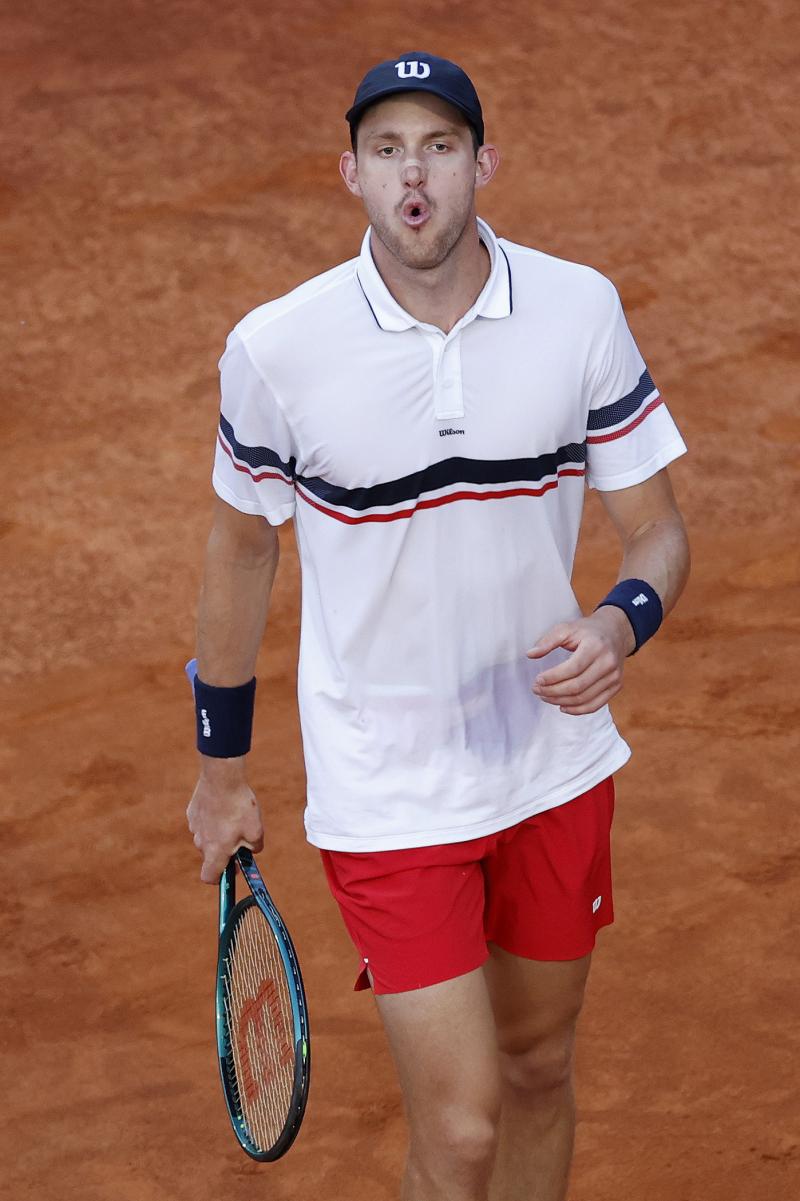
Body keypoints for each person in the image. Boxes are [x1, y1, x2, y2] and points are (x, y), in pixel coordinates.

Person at [186, 51, 690, 1201]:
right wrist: (220, 771)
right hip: (386, 787)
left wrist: (620, 622)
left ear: (482, 164)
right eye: (386, 150)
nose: (413, 177)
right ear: (350, 174)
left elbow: (655, 534)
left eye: (439, 147)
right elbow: (241, 545)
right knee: (459, 1131)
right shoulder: (279, 348)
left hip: (552, 768)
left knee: (537, 1064)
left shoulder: (577, 311)